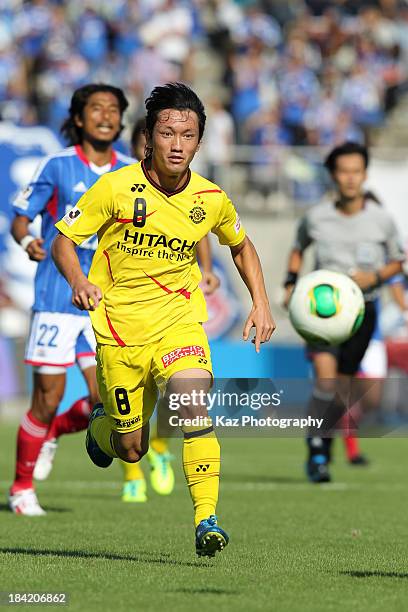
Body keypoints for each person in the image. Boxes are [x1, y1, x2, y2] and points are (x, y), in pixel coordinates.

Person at [52, 82, 275, 556]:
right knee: (131, 447)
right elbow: (64, 240)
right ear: (149, 137)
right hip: (119, 332)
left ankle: (206, 520)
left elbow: (240, 244)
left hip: (179, 324)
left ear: (199, 141)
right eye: (168, 133)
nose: (178, 145)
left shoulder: (210, 197)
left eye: (188, 135)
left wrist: (260, 301)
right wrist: (78, 281)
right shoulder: (114, 187)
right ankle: (102, 432)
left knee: (193, 404)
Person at [9, 83, 133, 515]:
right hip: (58, 294)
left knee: (110, 401)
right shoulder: (58, 165)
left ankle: (55, 433)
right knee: (46, 396)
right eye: (96, 108)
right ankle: (21, 489)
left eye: (113, 109)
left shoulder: (133, 172)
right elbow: (21, 220)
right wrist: (27, 241)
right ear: (79, 118)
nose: (106, 116)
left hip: (108, 301)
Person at [283, 141, 404, 483]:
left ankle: (323, 436)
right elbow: (298, 247)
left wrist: (377, 276)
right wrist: (291, 283)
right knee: (325, 381)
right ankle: (317, 451)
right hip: (321, 313)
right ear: (334, 176)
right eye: (343, 171)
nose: (350, 179)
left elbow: (398, 259)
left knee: (345, 391)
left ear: (364, 175)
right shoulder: (317, 216)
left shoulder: (381, 219)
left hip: (363, 311)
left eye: (356, 171)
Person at [121, 118, 221, 503]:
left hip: (171, 311)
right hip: (121, 308)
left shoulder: (190, 190)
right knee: (122, 405)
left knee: (179, 395)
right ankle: (132, 473)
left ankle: (159, 453)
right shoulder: (119, 187)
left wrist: (207, 270)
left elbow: (199, 228)